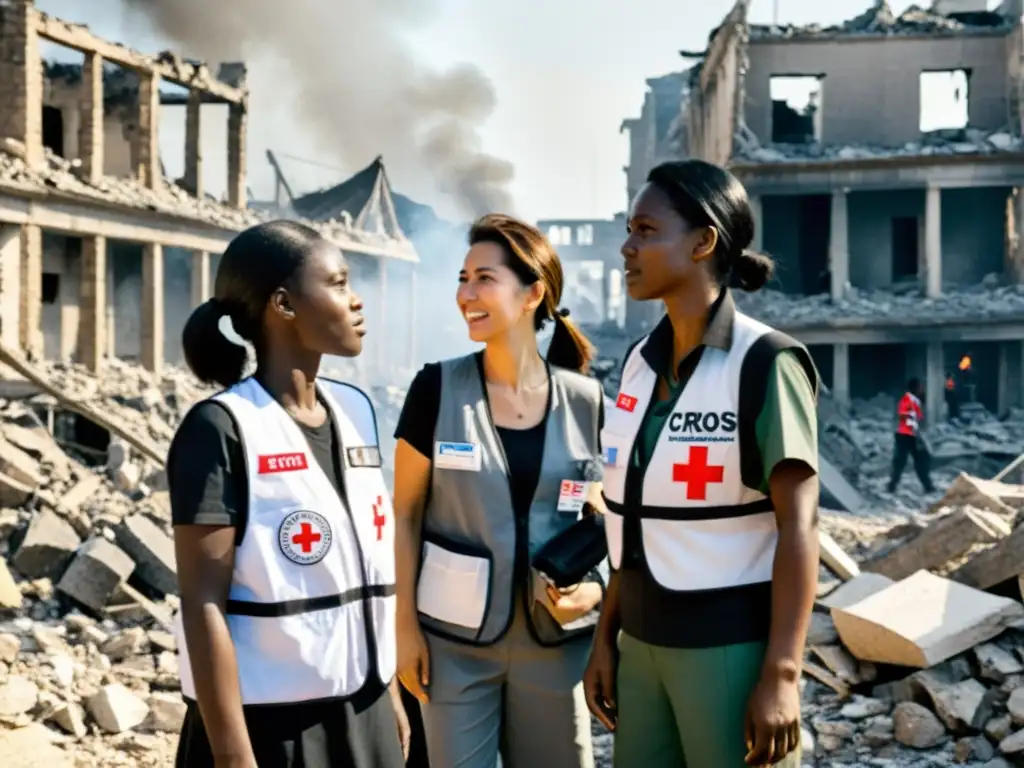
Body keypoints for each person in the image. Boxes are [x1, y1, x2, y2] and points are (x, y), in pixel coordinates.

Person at [583, 160, 820, 768]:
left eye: (645, 230)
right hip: (640, 645)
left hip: (727, 649)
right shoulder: (637, 363)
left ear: (703, 241)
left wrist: (783, 676)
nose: (627, 246)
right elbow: (629, 517)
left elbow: (801, 526)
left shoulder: (765, 363)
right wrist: (606, 639)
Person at [169, 220, 409, 768]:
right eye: (339, 283)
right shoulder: (222, 428)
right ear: (283, 303)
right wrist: (233, 755)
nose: (356, 302)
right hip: (272, 731)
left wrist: (386, 691)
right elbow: (202, 602)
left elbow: (362, 575)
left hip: (364, 712)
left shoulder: (354, 412)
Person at [393, 214, 606, 768]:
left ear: (533, 292)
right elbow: (406, 512)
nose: (466, 294)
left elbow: (610, 521)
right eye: (462, 279)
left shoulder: (587, 401)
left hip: (556, 645)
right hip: (453, 646)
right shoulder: (436, 389)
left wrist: (597, 590)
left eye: (483, 278)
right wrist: (405, 630)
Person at [888, 377, 934, 494]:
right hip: (906, 435)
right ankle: (893, 485)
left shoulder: (913, 400)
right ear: (915, 388)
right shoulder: (908, 400)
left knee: (918, 460)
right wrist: (917, 436)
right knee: (904, 460)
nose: (922, 389)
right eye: (920, 387)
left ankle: (927, 485)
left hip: (908, 435)